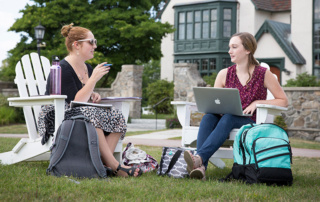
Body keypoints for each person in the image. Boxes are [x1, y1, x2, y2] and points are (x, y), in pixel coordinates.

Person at [38, 23, 142, 177]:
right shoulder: (63, 69)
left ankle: (102, 163)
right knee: (92, 116)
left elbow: (84, 96)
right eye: (91, 42)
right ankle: (115, 166)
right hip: (56, 115)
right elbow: (74, 101)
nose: (95, 46)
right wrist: (93, 80)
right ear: (77, 45)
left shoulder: (88, 68)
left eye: (95, 41)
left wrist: (95, 94)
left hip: (80, 112)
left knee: (117, 116)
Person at [184, 32, 288, 180]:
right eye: (229, 47)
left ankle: (199, 159)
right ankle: (201, 168)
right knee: (208, 117)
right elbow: (215, 102)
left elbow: (283, 100)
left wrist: (258, 102)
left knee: (229, 117)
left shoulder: (263, 74)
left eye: (234, 47)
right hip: (225, 118)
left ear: (247, 50)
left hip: (250, 121)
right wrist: (217, 109)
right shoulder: (224, 74)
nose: (229, 51)